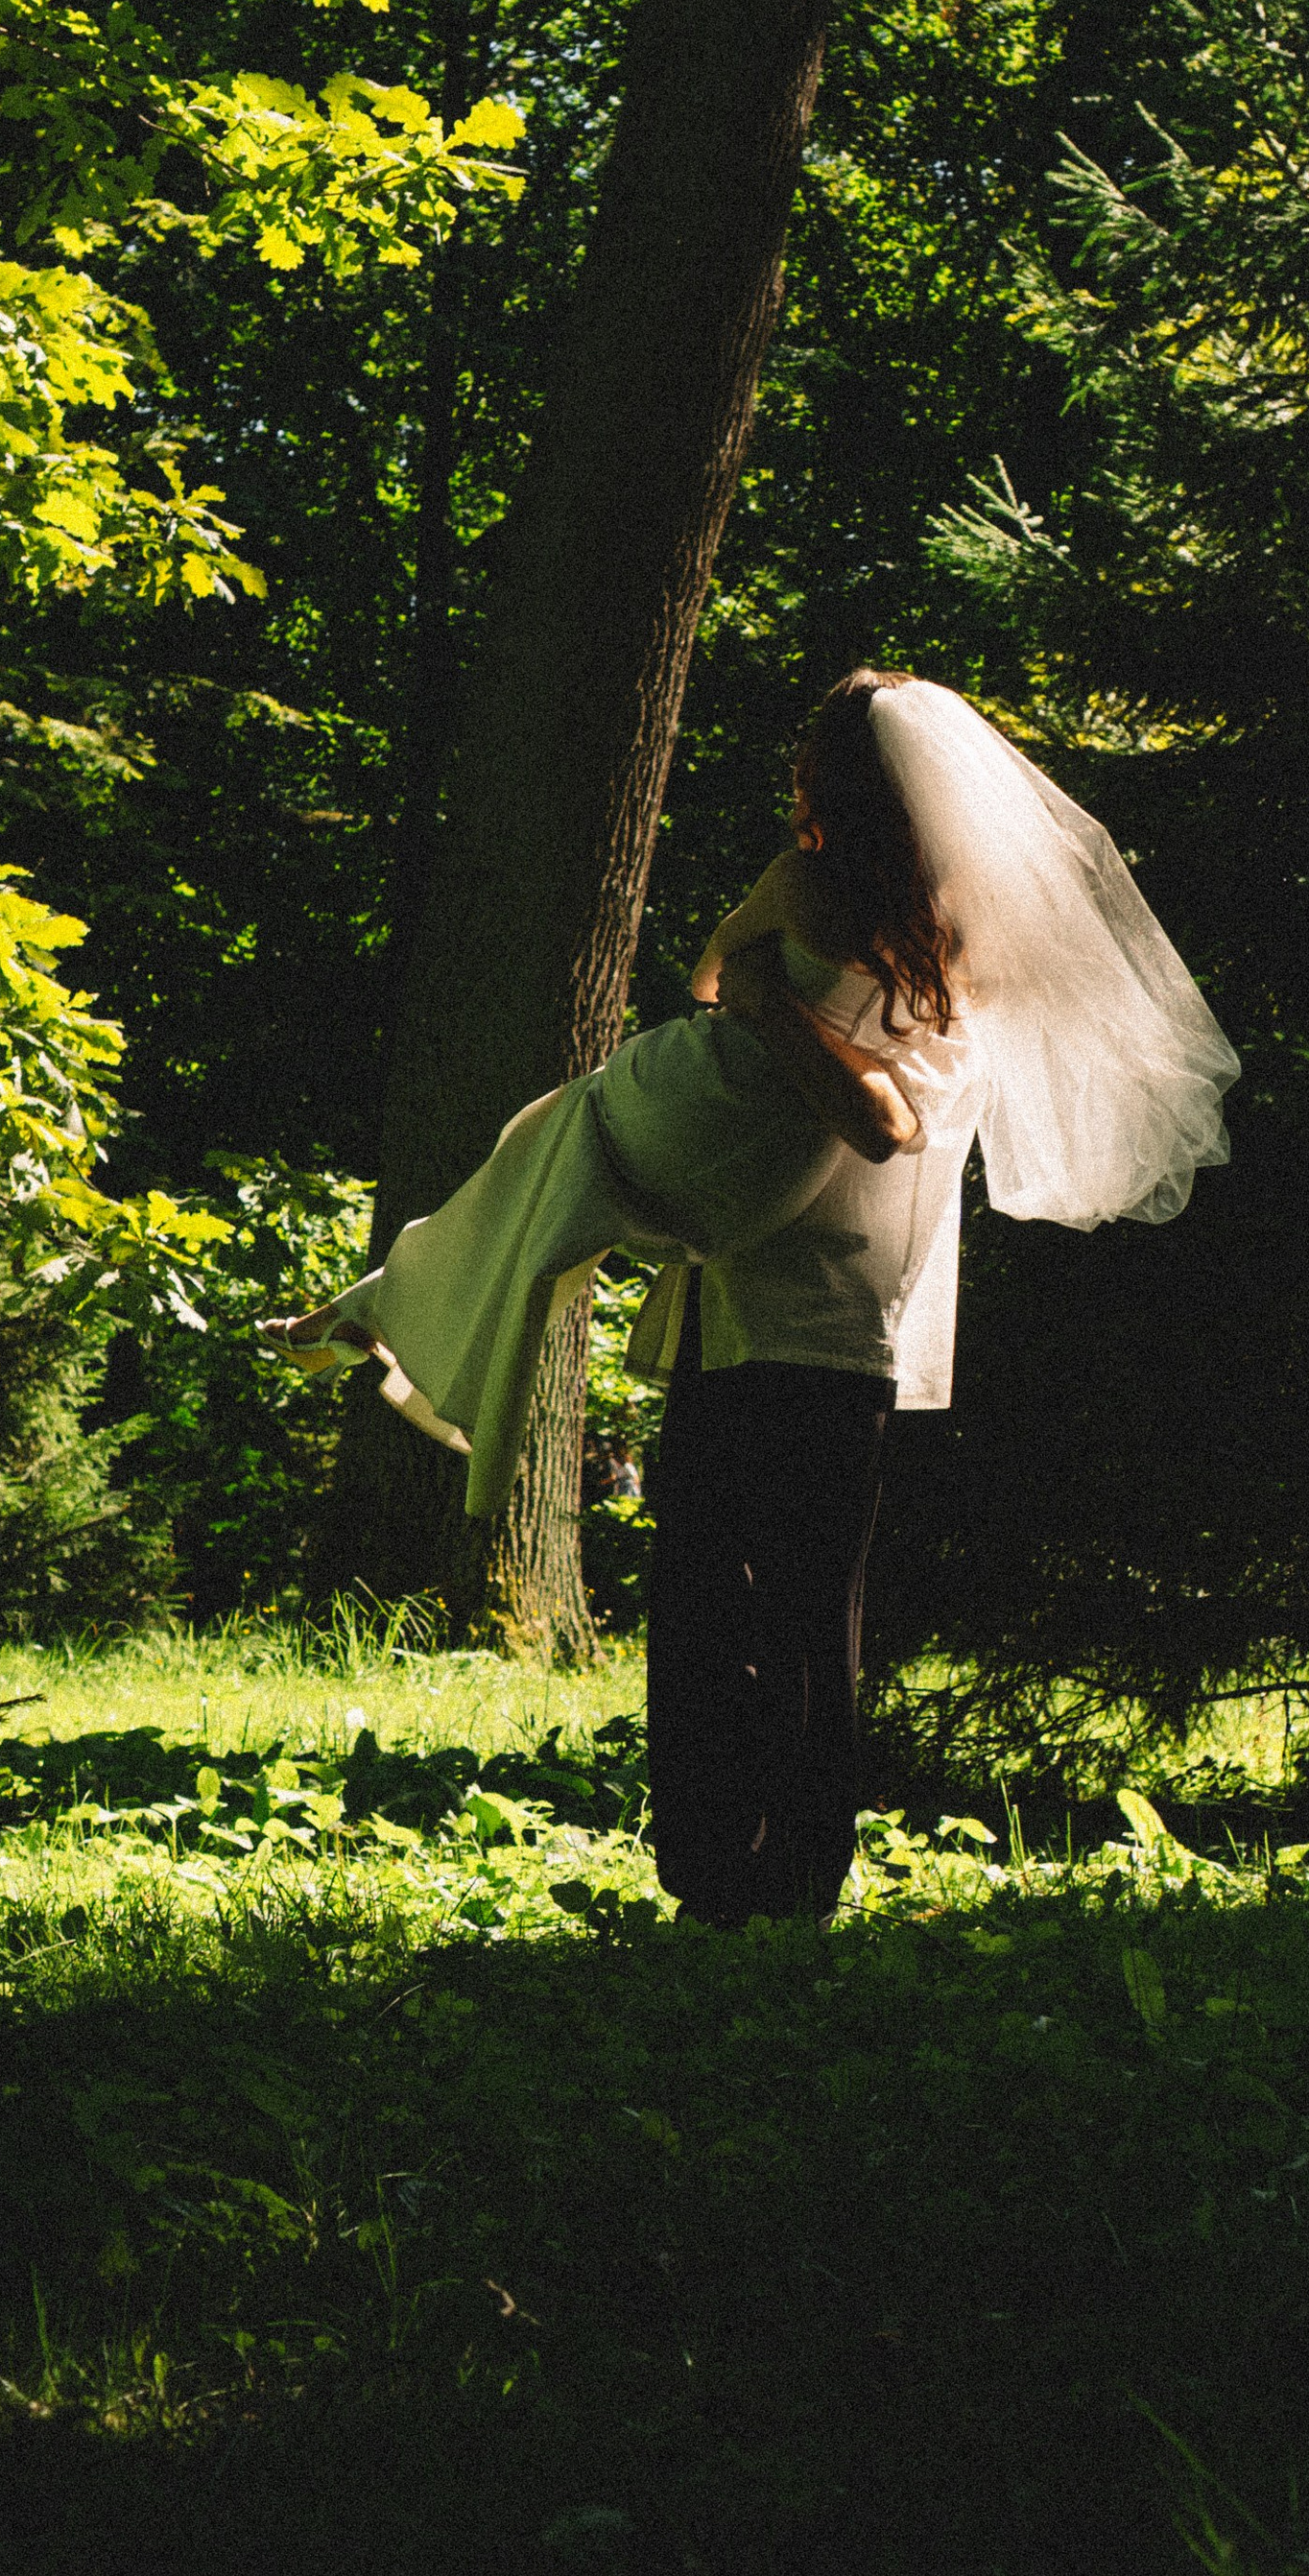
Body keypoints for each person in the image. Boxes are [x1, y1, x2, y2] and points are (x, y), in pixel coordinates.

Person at [268, 670, 1237, 1923]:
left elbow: (740, 1007)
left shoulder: (805, 892)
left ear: (828, 790)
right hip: (855, 1328)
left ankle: (728, 1873)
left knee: (711, 1600)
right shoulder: (966, 947)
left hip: (769, 1317)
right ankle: (791, 1877)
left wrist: (781, 1011)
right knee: (807, 1610)